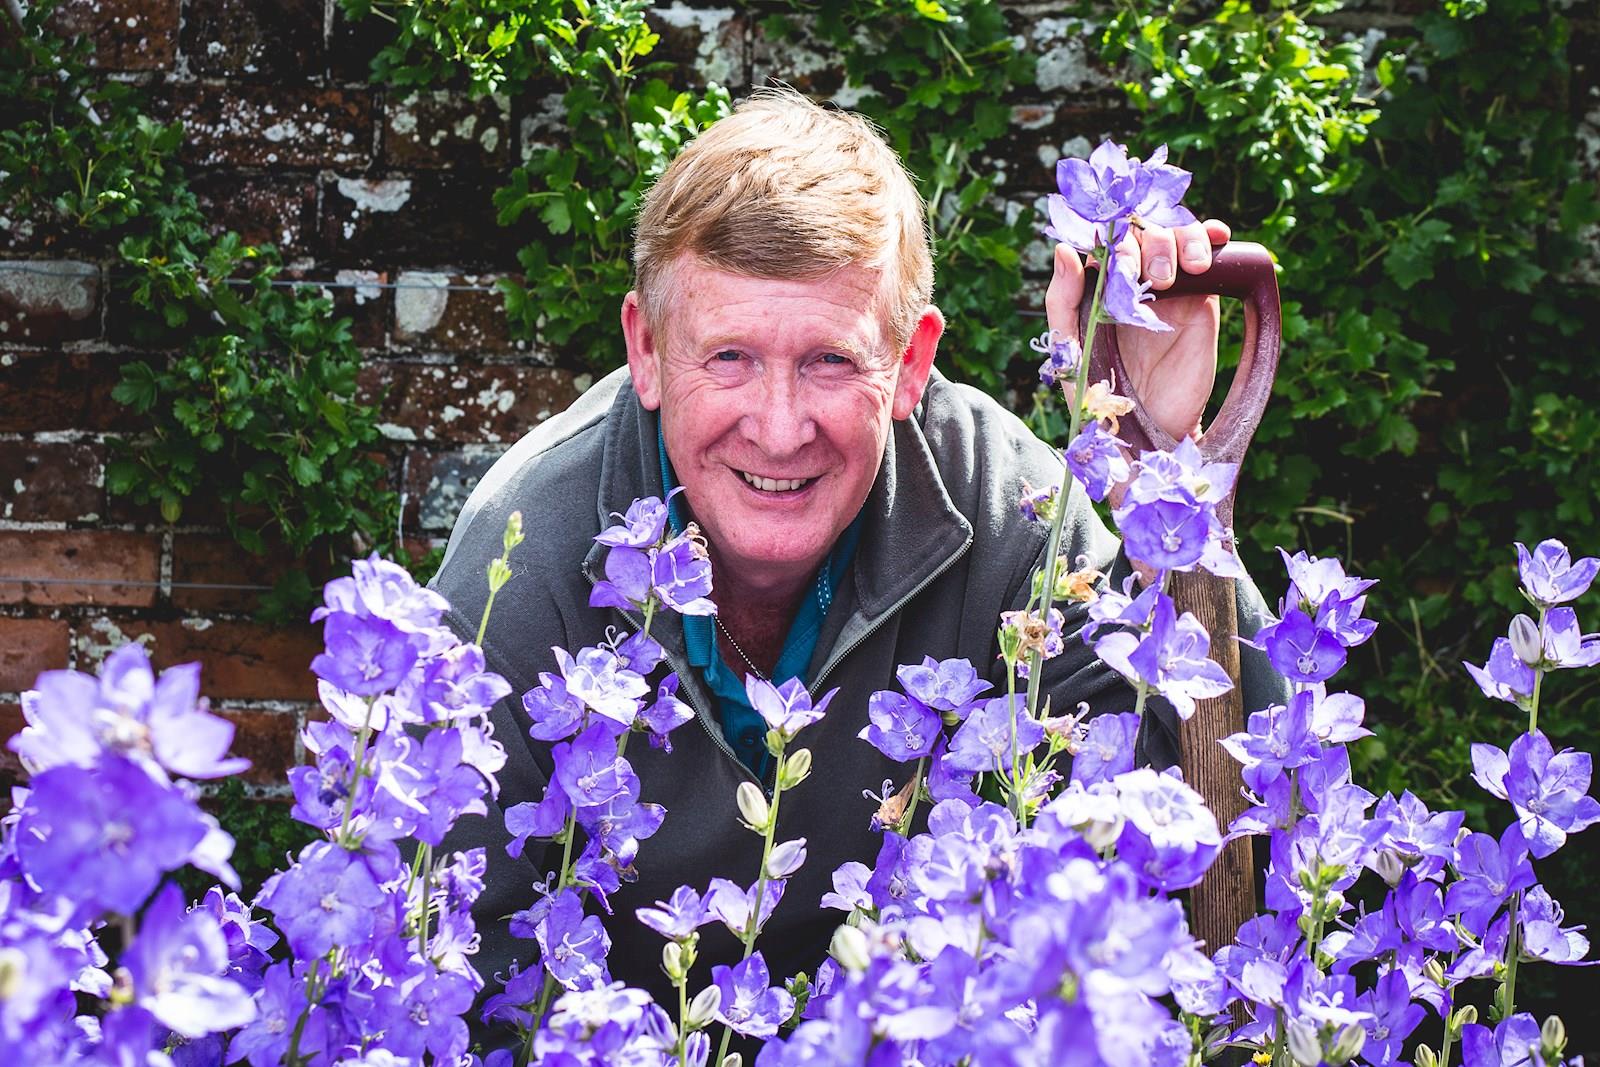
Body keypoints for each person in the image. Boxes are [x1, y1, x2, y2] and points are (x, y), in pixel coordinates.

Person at [429, 88, 1287, 1030]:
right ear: (644, 347)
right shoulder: (529, 547)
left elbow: (1235, 797)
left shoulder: (1000, 506)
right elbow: (453, 954)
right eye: (729, 358)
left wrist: (1162, 474)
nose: (781, 426)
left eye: (832, 361)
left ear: (912, 362)